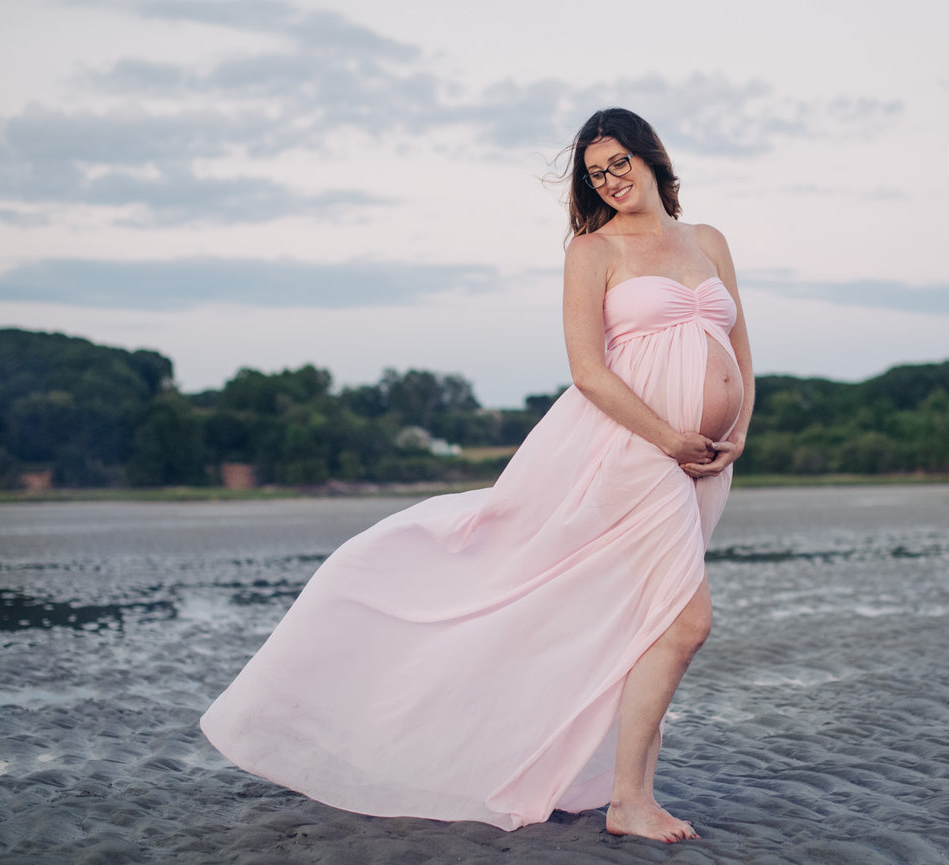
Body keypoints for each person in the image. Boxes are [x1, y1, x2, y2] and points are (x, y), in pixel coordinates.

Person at [200, 107, 754, 845]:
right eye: (596, 173)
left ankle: (633, 789)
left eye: (619, 162)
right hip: (635, 450)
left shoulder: (707, 240)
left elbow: (738, 343)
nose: (611, 179)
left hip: (704, 461)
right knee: (687, 620)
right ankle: (625, 800)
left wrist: (737, 430)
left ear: (651, 156)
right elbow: (587, 371)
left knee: (646, 620)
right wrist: (667, 438)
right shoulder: (592, 250)